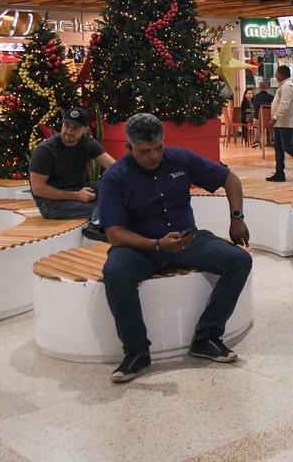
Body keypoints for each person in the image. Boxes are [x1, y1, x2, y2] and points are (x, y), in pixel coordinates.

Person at [99, 113, 252, 383]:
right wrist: (157, 244)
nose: (153, 156)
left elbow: (230, 179)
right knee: (115, 272)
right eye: (145, 151)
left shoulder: (181, 158)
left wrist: (236, 218)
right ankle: (136, 351)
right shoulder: (114, 177)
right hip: (140, 247)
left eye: (158, 148)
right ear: (129, 148)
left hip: (188, 240)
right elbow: (114, 233)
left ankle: (207, 337)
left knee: (239, 260)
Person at [29, 107, 116, 237]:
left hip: (79, 189)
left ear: (84, 129)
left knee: (111, 189)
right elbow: (38, 189)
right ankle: (95, 226)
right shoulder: (45, 150)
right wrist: (76, 195)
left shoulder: (88, 143)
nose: (69, 131)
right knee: (106, 207)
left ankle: (100, 219)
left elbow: (114, 166)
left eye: (75, 128)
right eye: (66, 125)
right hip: (51, 203)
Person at [265, 65, 293, 182]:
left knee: (288, 147)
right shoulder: (283, 85)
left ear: (281, 74)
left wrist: (274, 119)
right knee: (279, 149)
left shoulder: (287, 86)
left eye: (276, 73)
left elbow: (284, 105)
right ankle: (279, 173)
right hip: (280, 123)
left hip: (286, 123)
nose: (275, 75)